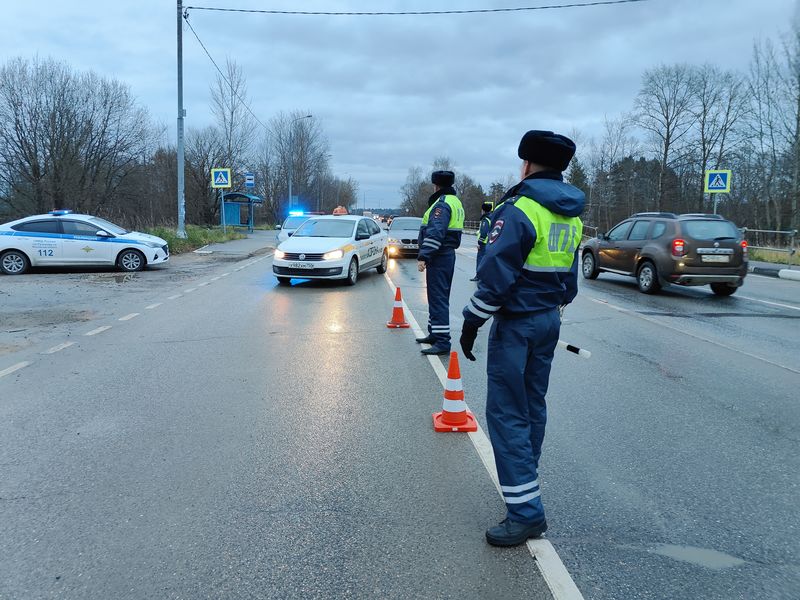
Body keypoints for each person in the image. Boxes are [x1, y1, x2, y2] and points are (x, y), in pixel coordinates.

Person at [459, 130, 584, 546]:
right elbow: (569, 282)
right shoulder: (571, 213)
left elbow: (496, 277)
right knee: (532, 405)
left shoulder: (520, 210)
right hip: (549, 319)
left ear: (527, 164)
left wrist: (472, 321)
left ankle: (526, 512)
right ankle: (525, 481)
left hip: (517, 324)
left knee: (507, 411)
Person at [416, 170, 465, 355]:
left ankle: (443, 341)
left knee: (438, 299)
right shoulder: (455, 201)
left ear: (436, 185)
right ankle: (434, 334)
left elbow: (436, 232)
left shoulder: (442, 204)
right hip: (445, 254)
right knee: (436, 297)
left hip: (440, 255)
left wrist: (423, 256)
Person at [470, 201, 494, 282]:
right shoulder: (492, 217)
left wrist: (480, 243)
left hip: (484, 243)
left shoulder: (485, 219)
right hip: (489, 242)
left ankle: (479, 276)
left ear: (483, 210)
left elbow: (484, 231)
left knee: (480, 259)